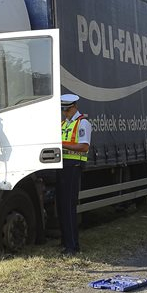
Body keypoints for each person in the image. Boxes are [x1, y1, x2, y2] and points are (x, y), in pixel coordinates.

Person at [56, 93, 92, 255]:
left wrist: (62, 144)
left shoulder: (83, 123)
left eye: (67, 110)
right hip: (62, 166)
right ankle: (65, 241)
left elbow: (84, 147)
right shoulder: (64, 123)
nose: (65, 113)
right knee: (61, 205)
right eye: (63, 110)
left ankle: (72, 246)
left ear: (74, 107)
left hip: (74, 166)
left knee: (69, 207)